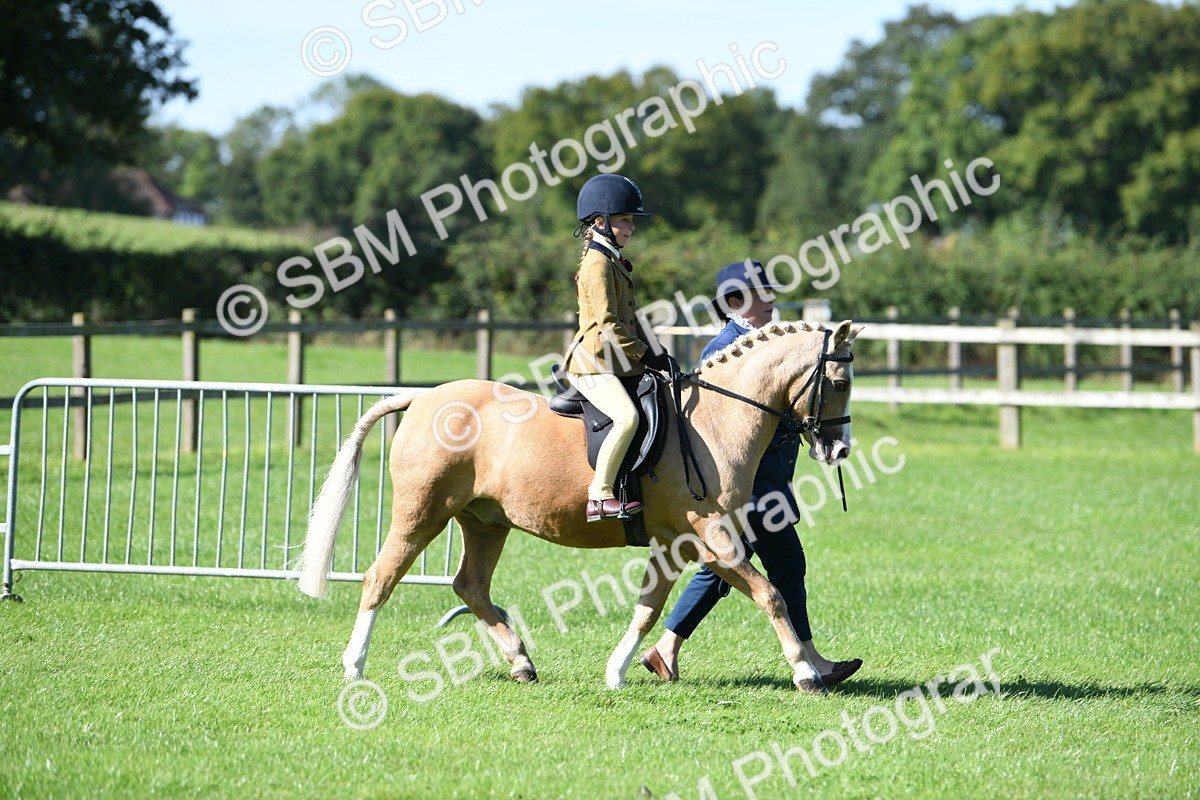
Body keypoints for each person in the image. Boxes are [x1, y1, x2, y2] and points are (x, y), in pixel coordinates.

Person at [639, 260, 862, 687]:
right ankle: (810, 660)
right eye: (761, 294)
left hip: (769, 479)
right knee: (776, 564)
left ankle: (664, 649)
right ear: (735, 301)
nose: (772, 300)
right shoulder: (723, 349)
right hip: (743, 485)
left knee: (726, 570)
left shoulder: (771, 345)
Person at [563, 174, 668, 523]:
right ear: (600, 222)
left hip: (615, 361)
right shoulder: (596, 265)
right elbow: (609, 325)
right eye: (625, 220)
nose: (631, 227)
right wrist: (644, 354)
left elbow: (633, 317)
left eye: (630, 221)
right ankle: (600, 495)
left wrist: (658, 351)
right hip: (592, 363)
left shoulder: (611, 261)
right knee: (627, 417)